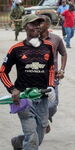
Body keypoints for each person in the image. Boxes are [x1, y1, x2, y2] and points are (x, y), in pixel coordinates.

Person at [0, 14, 55, 150]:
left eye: (38, 23)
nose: (36, 26)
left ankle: (18, 143)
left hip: (42, 97)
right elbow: (2, 71)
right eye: (33, 24)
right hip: (23, 98)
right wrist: (13, 89)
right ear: (25, 27)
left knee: (39, 136)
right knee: (31, 137)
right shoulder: (16, 49)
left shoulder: (48, 46)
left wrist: (51, 86)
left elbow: (51, 68)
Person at [40, 15, 67, 133]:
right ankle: (43, 121)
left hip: (53, 76)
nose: (38, 25)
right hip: (37, 76)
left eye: (41, 22)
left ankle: (45, 118)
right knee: (38, 102)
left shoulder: (56, 39)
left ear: (48, 25)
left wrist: (62, 69)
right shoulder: (33, 39)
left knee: (52, 105)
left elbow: (64, 53)